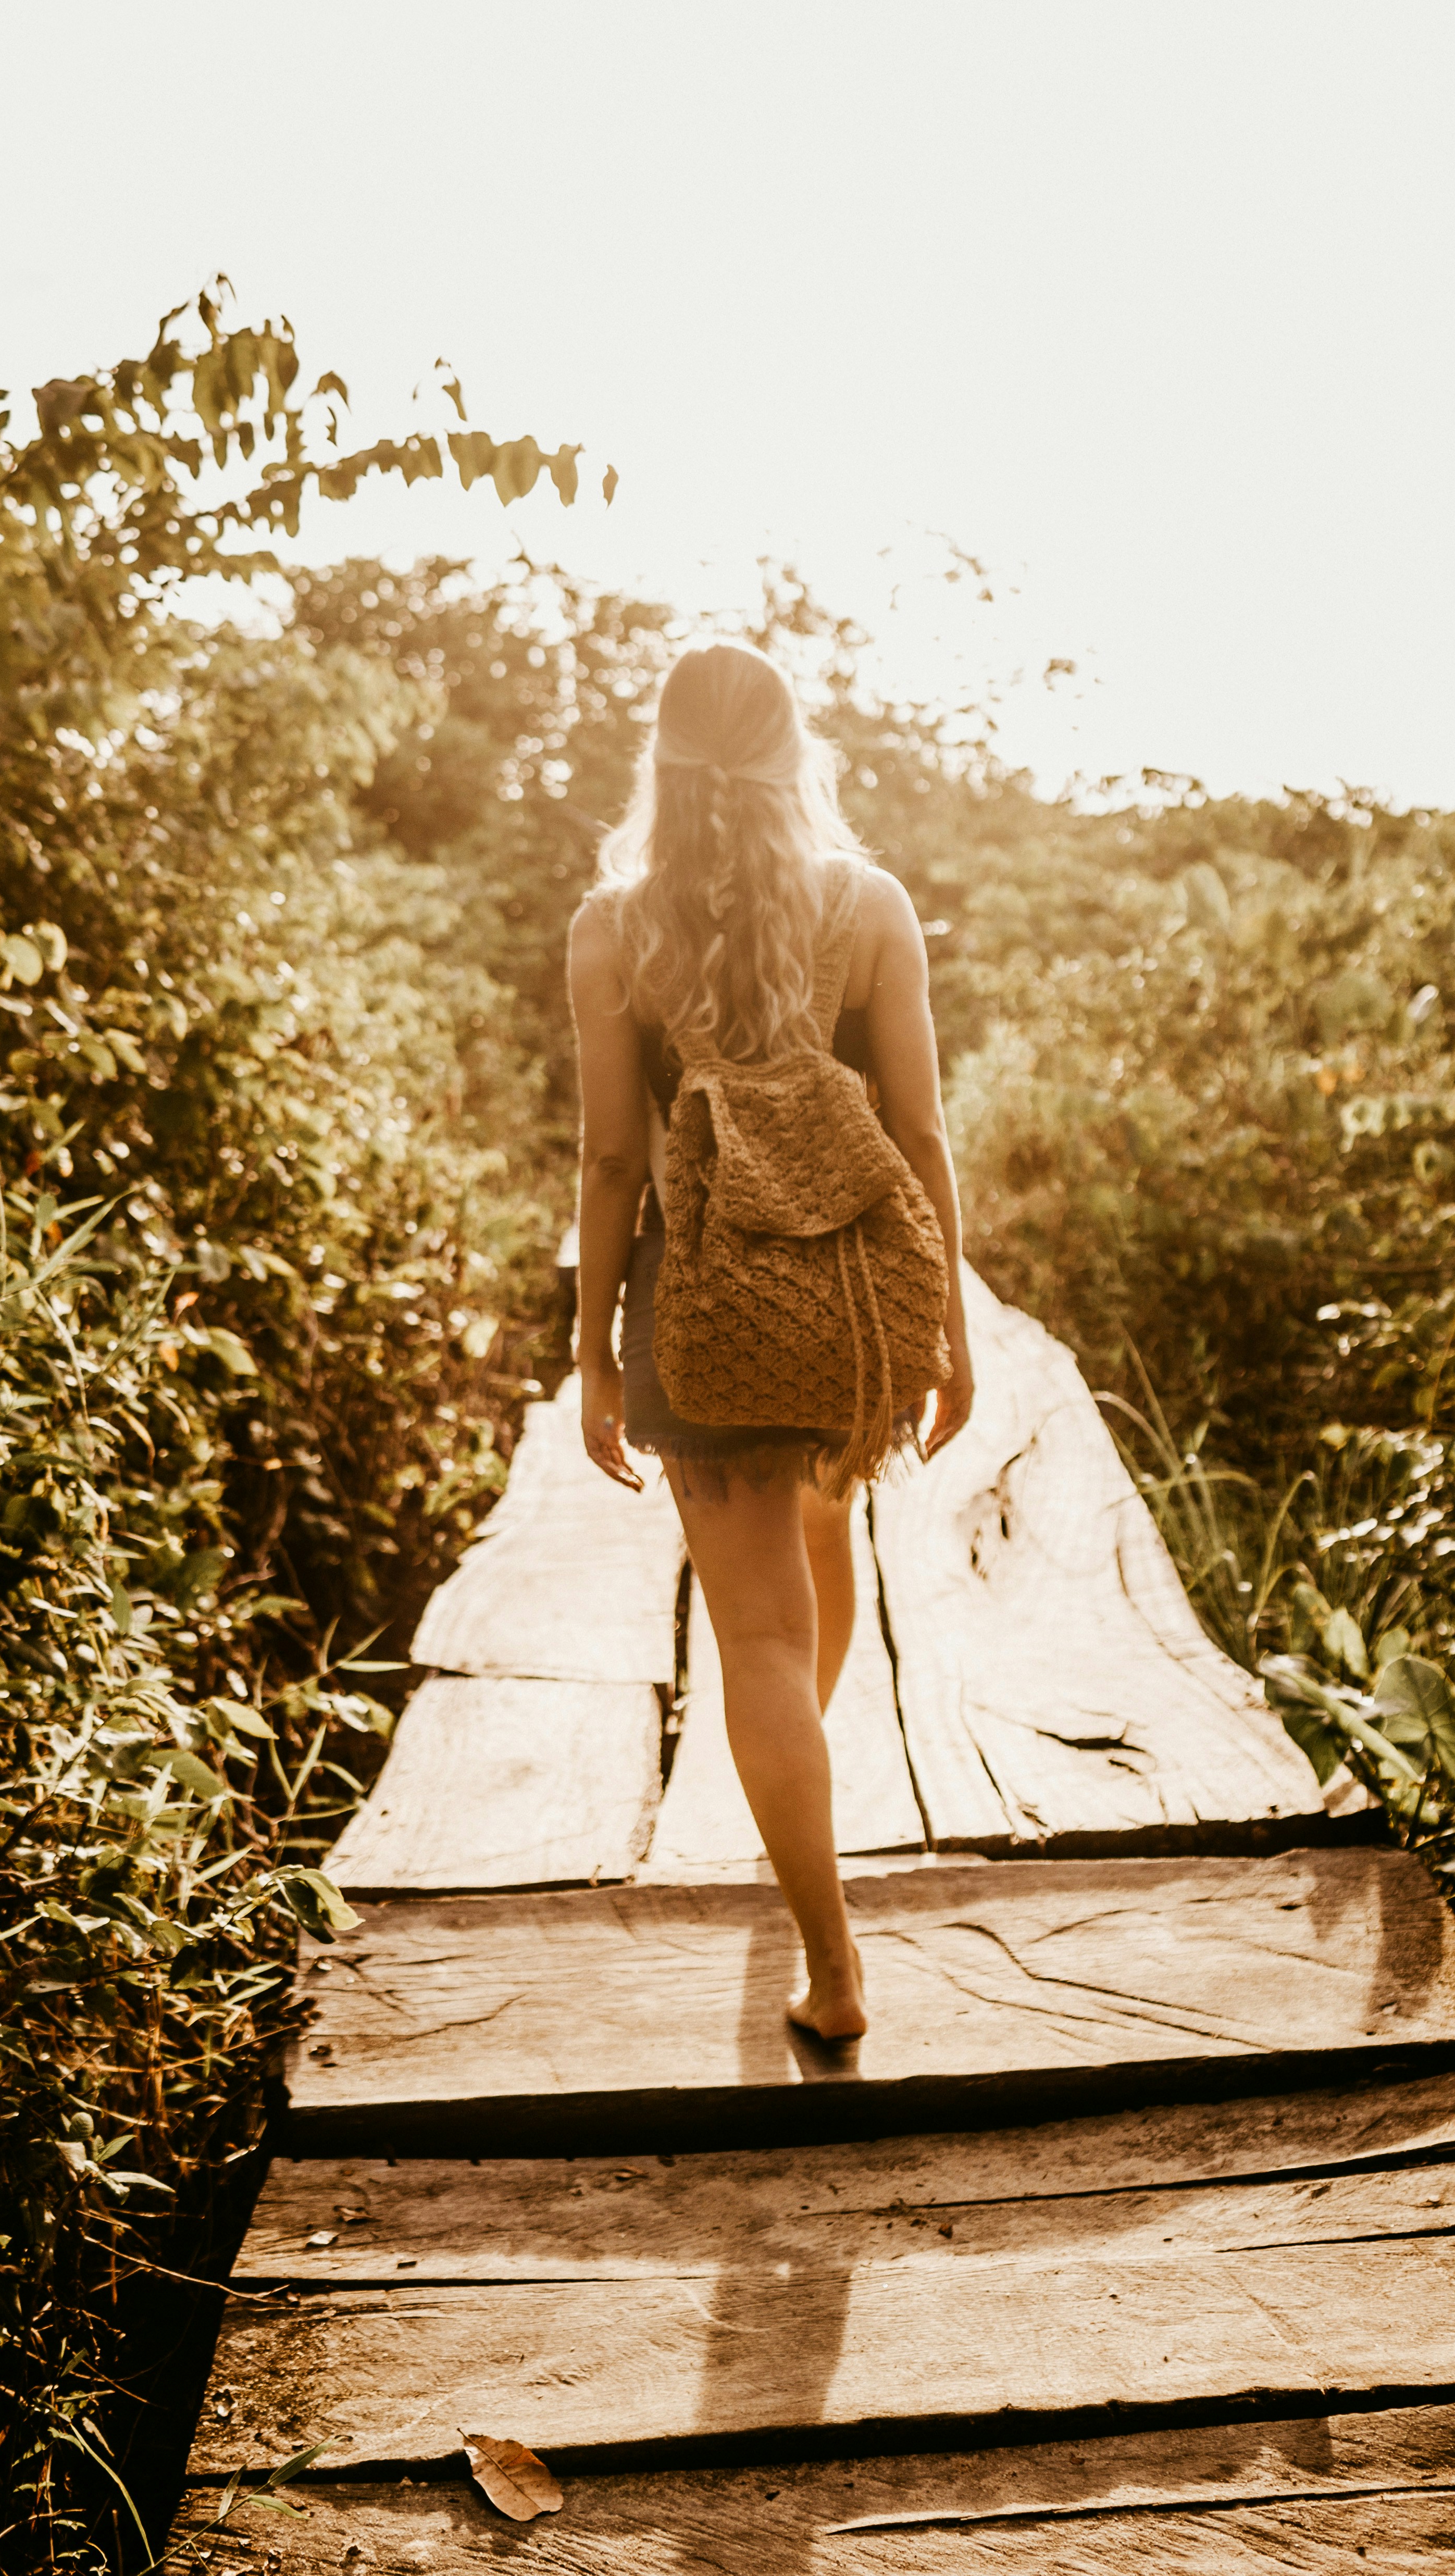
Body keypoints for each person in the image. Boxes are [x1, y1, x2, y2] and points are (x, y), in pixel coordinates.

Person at [567, 642, 974, 2042]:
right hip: (850, 1316)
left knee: (756, 1636)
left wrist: (593, 1356)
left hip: (703, 1320)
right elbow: (920, 1135)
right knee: (823, 1562)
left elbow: (613, 1163)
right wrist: (954, 1333)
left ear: (661, 758)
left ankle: (833, 1964)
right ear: (800, 750)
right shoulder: (868, 906)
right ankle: (801, 1812)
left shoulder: (614, 929)